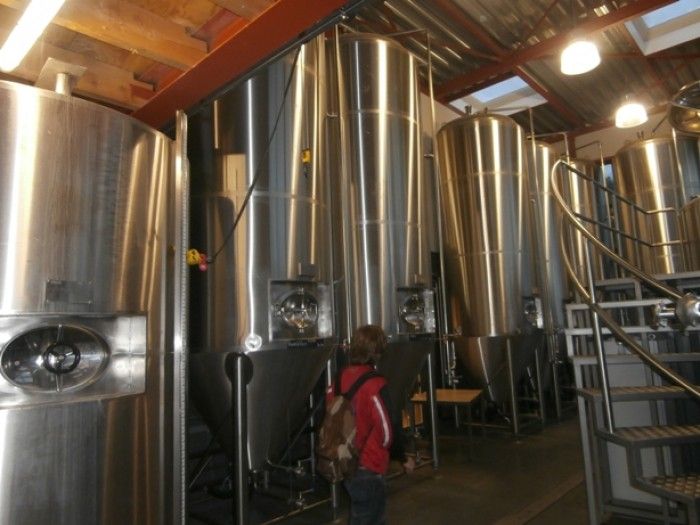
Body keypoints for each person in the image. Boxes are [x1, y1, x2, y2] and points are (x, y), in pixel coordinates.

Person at [336, 324, 415, 525]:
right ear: (378, 351)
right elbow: (387, 428)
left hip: (345, 460)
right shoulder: (375, 384)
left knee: (362, 514)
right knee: (371, 517)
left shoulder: (340, 377)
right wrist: (401, 456)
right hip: (368, 463)